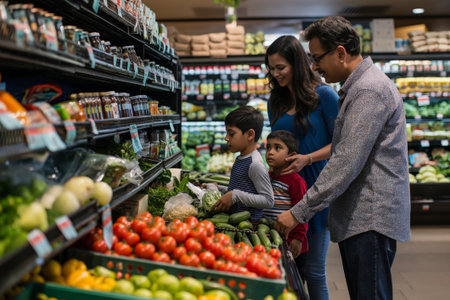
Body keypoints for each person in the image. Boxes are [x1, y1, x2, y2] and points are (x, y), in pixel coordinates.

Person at [274, 16, 410, 300]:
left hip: (369, 218)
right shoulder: (357, 87)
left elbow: (346, 161)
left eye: (317, 58)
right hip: (361, 217)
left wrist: (299, 212)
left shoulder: (368, 90)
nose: (314, 67)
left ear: (340, 52)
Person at [265, 35, 339, 299]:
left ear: (297, 64)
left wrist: (307, 158)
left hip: (315, 193)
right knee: (288, 268)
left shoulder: (324, 96)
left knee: (314, 270)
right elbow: (276, 143)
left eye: (280, 67)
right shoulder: (275, 101)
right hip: (283, 196)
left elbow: (342, 143)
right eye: (271, 68)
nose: (275, 74)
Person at [211, 105, 274, 221]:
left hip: (248, 226)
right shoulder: (241, 158)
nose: (226, 138)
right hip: (234, 221)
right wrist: (219, 188)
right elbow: (241, 189)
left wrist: (235, 195)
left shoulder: (255, 164)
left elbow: (268, 200)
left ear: (250, 134)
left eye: (231, 133)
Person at [263, 130, 308, 262]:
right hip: (271, 238)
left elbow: (302, 211)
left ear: (291, 156)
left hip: (291, 243)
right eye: (268, 147)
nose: (270, 152)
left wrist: (298, 238)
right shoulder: (268, 177)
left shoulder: (296, 181)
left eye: (277, 148)